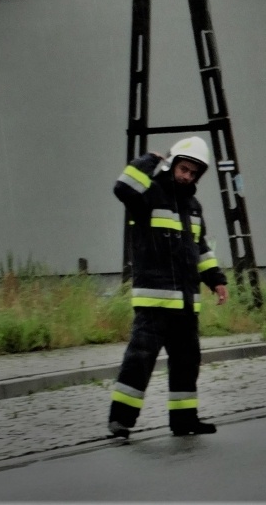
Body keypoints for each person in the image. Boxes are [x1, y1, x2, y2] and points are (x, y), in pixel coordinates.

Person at [107, 136, 228, 439]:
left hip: (185, 304)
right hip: (154, 303)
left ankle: (184, 420)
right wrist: (148, 160)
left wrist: (216, 280)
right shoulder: (148, 195)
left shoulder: (194, 207)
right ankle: (120, 421)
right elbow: (122, 187)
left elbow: (200, 249)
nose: (187, 176)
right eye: (183, 169)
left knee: (187, 363)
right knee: (139, 360)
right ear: (172, 164)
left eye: (193, 173)